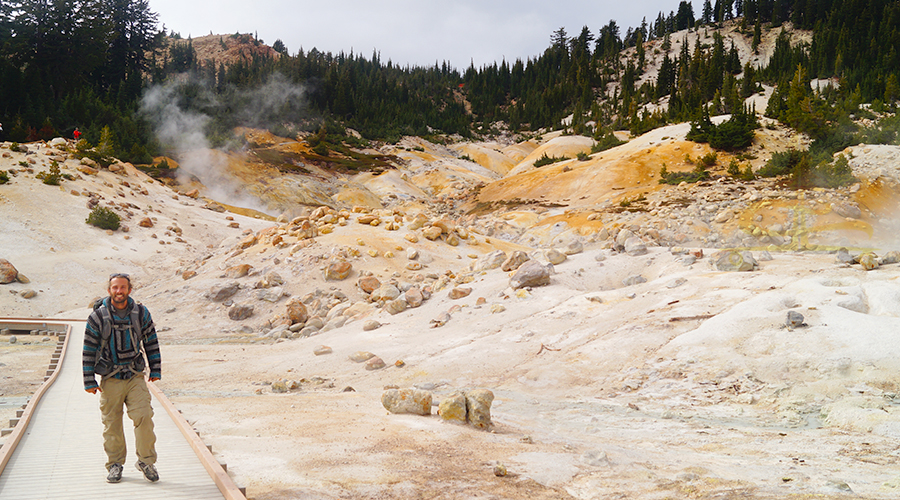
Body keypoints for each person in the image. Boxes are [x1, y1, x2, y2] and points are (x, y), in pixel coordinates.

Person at [82, 273, 162, 483]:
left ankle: (146, 461)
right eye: (115, 288)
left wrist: (155, 369)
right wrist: (88, 380)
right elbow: (88, 349)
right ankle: (115, 464)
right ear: (109, 290)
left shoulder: (141, 313)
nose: (119, 291)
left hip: (135, 376)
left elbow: (151, 341)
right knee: (112, 423)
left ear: (129, 289)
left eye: (123, 287)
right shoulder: (97, 317)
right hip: (110, 378)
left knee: (144, 416)